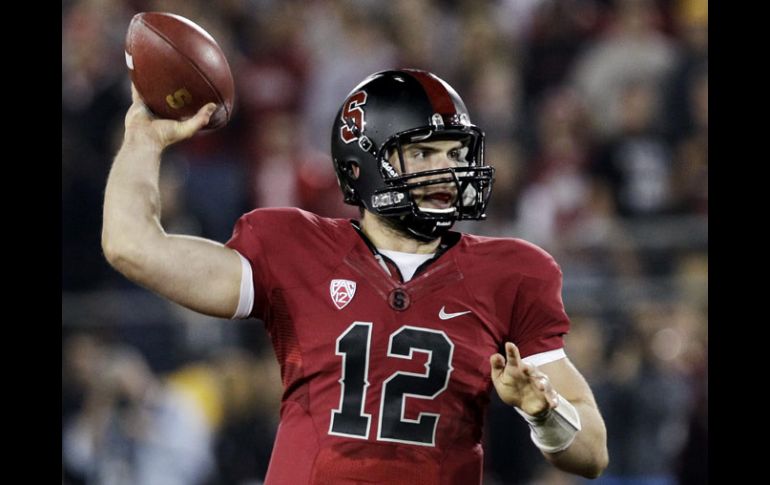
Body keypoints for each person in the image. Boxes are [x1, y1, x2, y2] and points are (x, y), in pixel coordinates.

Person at [102, 68, 608, 484]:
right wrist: (144, 138)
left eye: (456, 154)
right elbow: (132, 245)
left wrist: (544, 413)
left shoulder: (512, 273)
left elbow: (592, 453)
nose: (449, 172)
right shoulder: (293, 247)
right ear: (367, 161)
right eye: (424, 153)